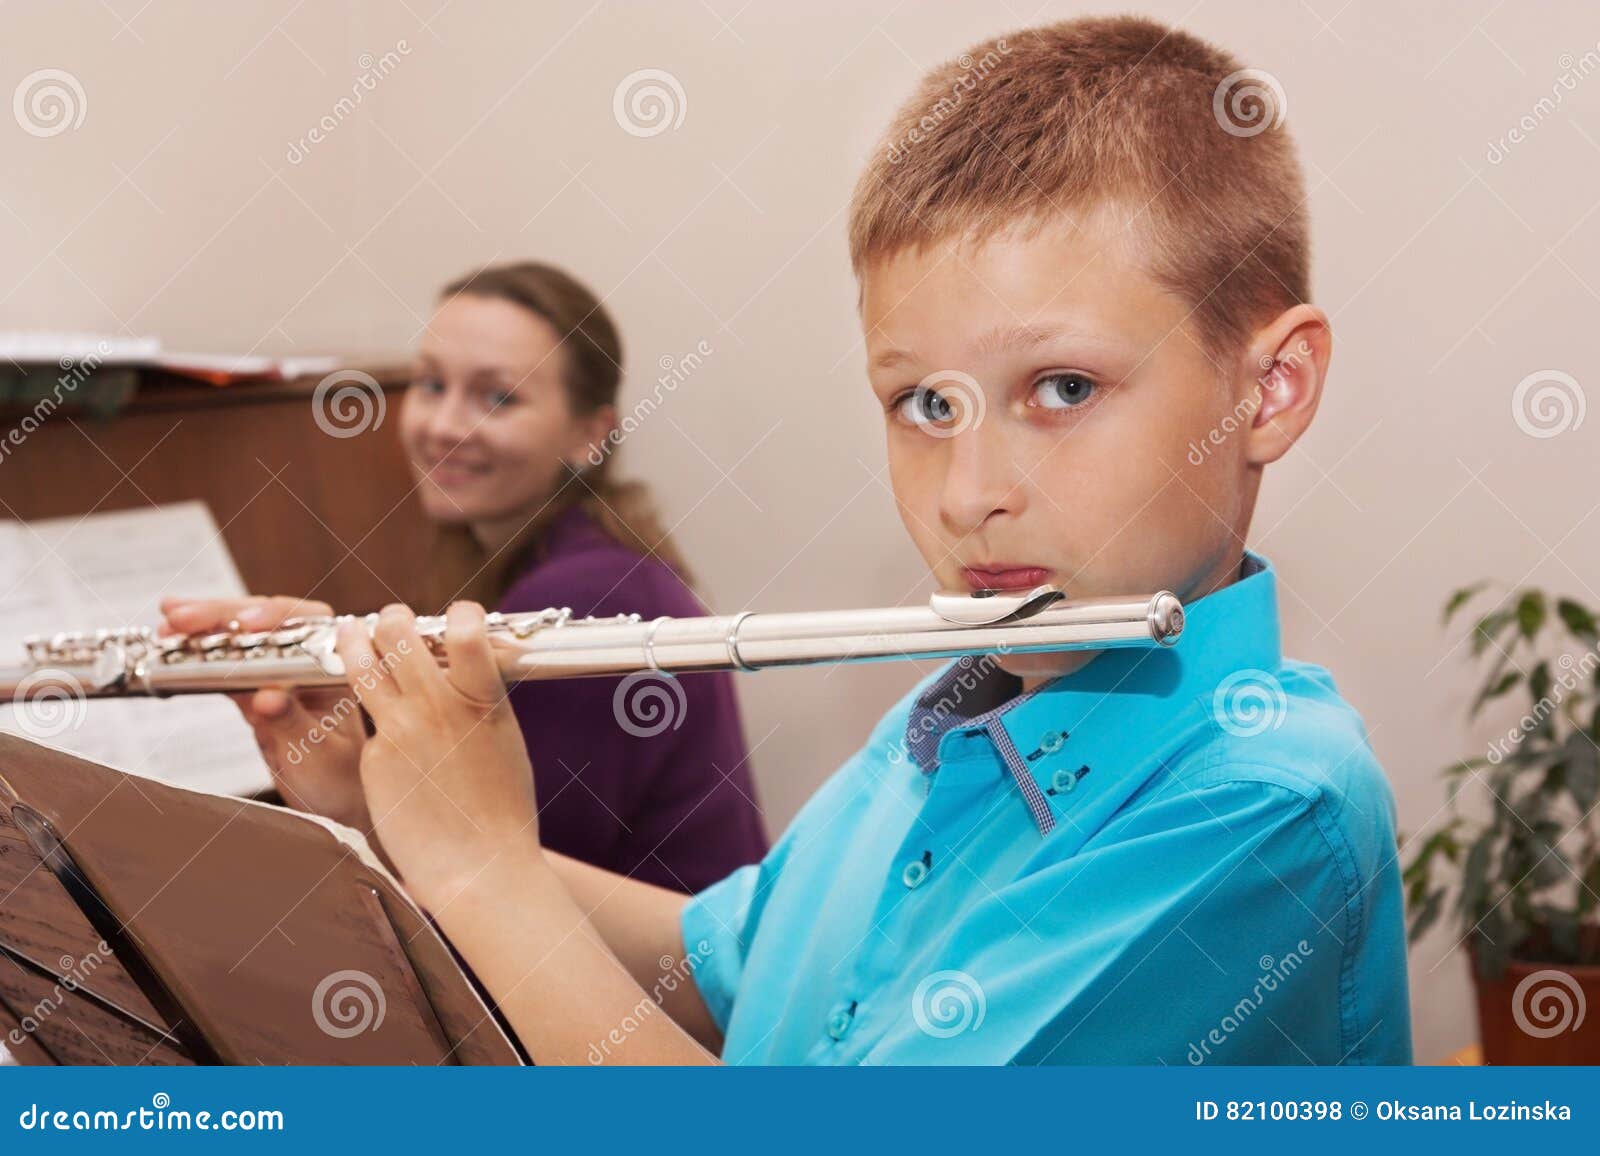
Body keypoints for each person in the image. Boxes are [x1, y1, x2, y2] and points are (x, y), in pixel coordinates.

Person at [176, 16, 1412, 1065]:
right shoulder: (944, 720)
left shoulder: (1260, 810)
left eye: (1064, 388)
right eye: (923, 403)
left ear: (1271, 388)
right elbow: (721, 973)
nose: (968, 492)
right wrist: (389, 807)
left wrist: (484, 870)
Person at [165, 262, 767, 893]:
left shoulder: (582, 597)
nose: (445, 427)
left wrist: (352, 809)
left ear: (590, 433)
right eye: (431, 384)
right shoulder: (557, 562)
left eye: (497, 397)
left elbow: (505, 904)